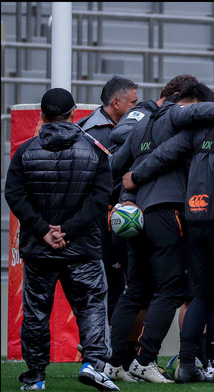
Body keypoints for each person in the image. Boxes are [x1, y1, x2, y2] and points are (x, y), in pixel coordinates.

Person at [108, 82, 214, 383]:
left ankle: (113, 363)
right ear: (187, 105)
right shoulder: (179, 120)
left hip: (138, 214)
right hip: (167, 211)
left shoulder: (142, 124)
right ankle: (145, 360)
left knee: (134, 291)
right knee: (170, 290)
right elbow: (167, 152)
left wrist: (127, 192)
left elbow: (118, 166)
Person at [5, 87, 118, 392]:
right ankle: (94, 365)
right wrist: (67, 230)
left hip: (39, 248)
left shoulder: (24, 151)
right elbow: (99, 198)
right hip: (81, 248)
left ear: (42, 116)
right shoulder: (94, 151)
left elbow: (13, 194)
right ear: (73, 116)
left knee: (36, 311)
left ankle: (36, 377)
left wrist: (44, 230)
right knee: (92, 305)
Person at [78, 75, 139, 321]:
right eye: (133, 103)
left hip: (116, 216)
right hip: (101, 220)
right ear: (116, 103)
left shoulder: (119, 127)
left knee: (119, 284)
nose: (137, 108)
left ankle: (109, 346)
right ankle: (102, 345)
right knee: (108, 285)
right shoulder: (94, 133)